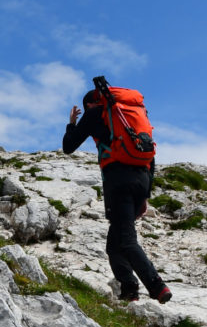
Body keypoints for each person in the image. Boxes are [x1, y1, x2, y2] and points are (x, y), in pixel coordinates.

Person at [63, 88, 171, 304]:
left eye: (86, 109)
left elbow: (68, 147)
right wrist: (145, 195)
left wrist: (72, 124)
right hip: (141, 180)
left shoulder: (96, 114)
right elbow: (150, 154)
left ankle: (157, 285)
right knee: (114, 244)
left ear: (90, 105)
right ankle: (129, 291)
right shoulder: (131, 117)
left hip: (119, 182)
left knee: (127, 240)